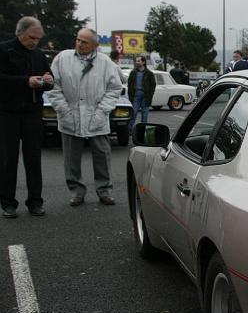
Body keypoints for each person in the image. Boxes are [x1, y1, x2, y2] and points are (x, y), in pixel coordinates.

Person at [48, 28, 123, 206]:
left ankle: (104, 190)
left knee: (102, 156)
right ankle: (76, 191)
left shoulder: (105, 62)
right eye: (78, 40)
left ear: (95, 46)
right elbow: (53, 87)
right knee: (71, 159)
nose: (79, 44)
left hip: (97, 116)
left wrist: (102, 111)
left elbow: (114, 88)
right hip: (70, 115)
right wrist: (64, 111)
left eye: (84, 42)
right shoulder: (62, 58)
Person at [0, 16, 53, 218]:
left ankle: (35, 201)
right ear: (20, 33)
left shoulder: (38, 55)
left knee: (34, 158)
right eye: (31, 38)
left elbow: (48, 80)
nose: (35, 42)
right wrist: (25, 81)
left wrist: (48, 80)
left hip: (32, 112)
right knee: (8, 159)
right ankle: (8, 203)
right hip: (8, 113)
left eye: (38, 39)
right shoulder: (4, 50)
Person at [127, 55, 156, 132]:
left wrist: (150, 95)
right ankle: (129, 130)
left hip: (145, 97)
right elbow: (129, 84)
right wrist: (130, 95)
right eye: (136, 61)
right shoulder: (133, 72)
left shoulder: (149, 73)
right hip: (135, 96)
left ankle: (142, 131)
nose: (137, 62)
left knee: (144, 115)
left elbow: (153, 85)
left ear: (143, 62)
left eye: (139, 61)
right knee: (133, 113)